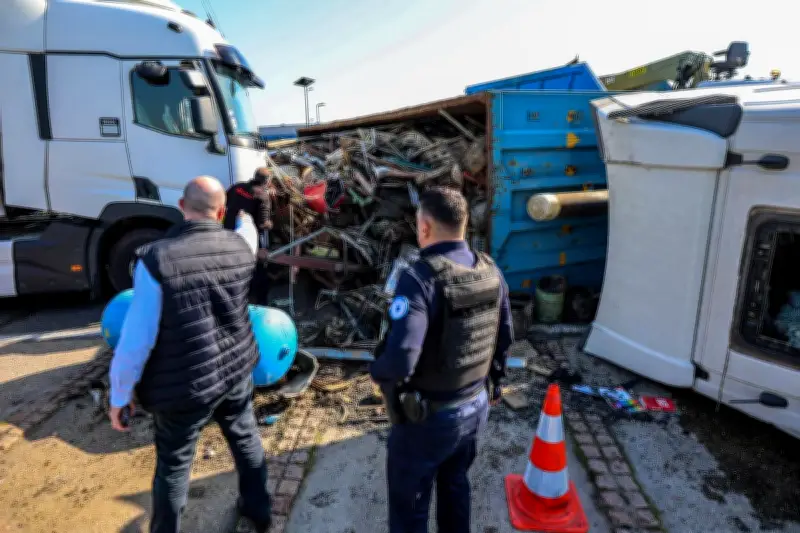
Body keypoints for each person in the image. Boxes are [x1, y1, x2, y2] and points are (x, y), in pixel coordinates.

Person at [108, 176, 272, 533]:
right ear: (221, 211)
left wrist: (120, 394)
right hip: (234, 371)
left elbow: (137, 338)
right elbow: (249, 232)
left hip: (182, 385)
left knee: (174, 465)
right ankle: (260, 512)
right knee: (246, 439)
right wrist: (245, 218)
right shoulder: (241, 247)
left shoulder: (156, 260)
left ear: (182, 208)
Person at [369, 187, 514, 533]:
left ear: (425, 227)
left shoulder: (419, 279)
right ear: (464, 225)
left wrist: (378, 372)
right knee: (455, 487)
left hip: (428, 420)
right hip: (475, 406)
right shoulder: (491, 270)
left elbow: (403, 355)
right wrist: (495, 382)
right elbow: (504, 335)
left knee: (411, 510)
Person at [224, 167, 275, 305]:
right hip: (247, 240)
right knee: (259, 270)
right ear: (267, 182)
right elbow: (263, 223)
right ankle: (260, 302)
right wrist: (271, 224)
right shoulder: (263, 196)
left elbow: (225, 202)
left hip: (228, 234)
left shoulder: (236, 187)